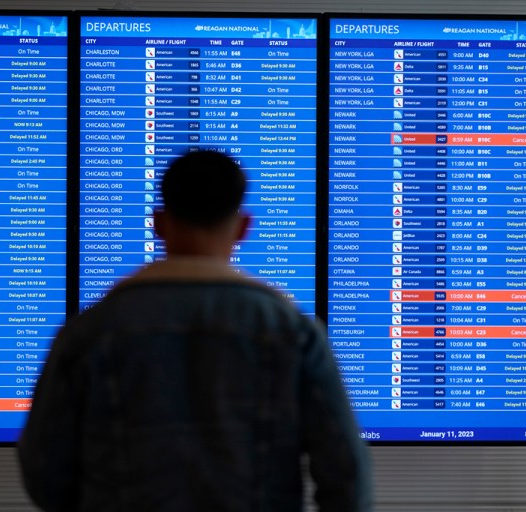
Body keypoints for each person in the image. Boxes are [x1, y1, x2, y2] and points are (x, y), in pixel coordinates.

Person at [18, 150, 373, 511]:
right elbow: (346, 475)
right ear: (243, 227)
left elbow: (44, 471)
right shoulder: (292, 332)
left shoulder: (89, 334)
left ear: (158, 222)